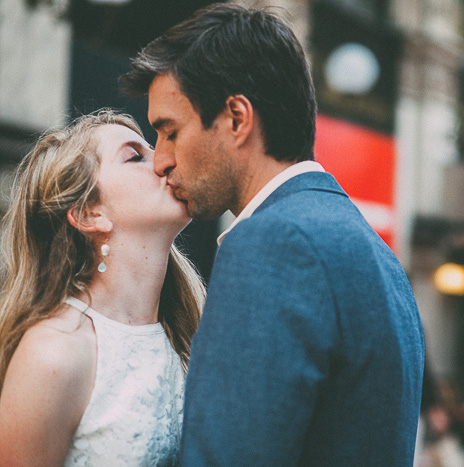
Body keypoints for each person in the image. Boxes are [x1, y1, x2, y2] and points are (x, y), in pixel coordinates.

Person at [120, 3, 425, 466]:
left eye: (170, 131)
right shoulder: (372, 249)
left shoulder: (273, 245)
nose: (160, 159)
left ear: (237, 119)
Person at [0, 110, 205, 465]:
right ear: (89, 213)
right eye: (134, 156)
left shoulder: (190, 331)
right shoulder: (55, 352)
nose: (165, 158)